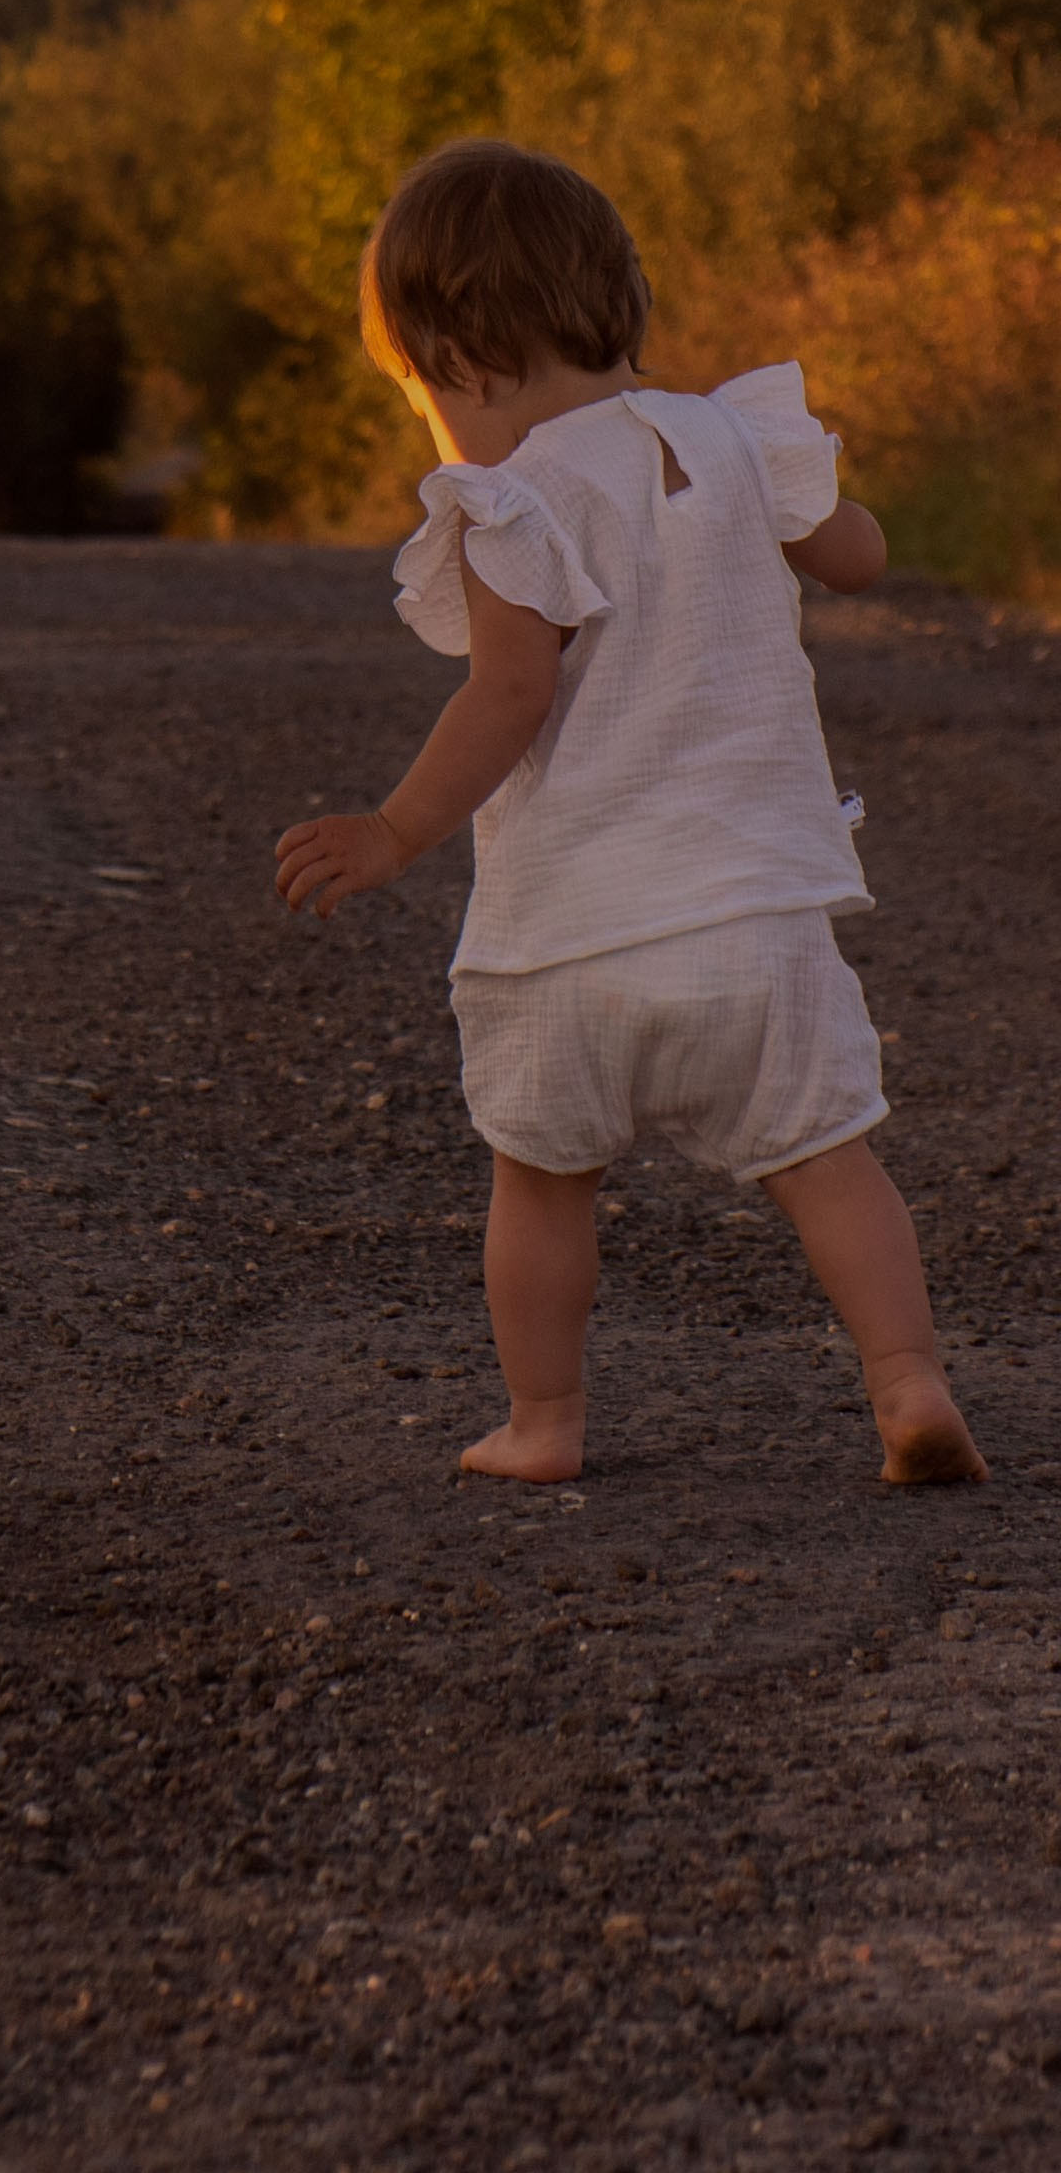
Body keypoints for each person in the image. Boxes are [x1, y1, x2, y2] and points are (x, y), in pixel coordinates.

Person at [274, 136, 983, 1494]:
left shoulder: (510, 501)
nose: (432, 418)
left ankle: (546, 1420)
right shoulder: (733, 435)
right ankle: (907, 1387)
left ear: (459, 354)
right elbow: (861, 553)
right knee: (831, 1165)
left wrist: (395, 830)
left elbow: (507, 692)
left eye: (418, 389)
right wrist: (788, 504)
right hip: (756, 925)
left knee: (540, 1184)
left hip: (572, 943)